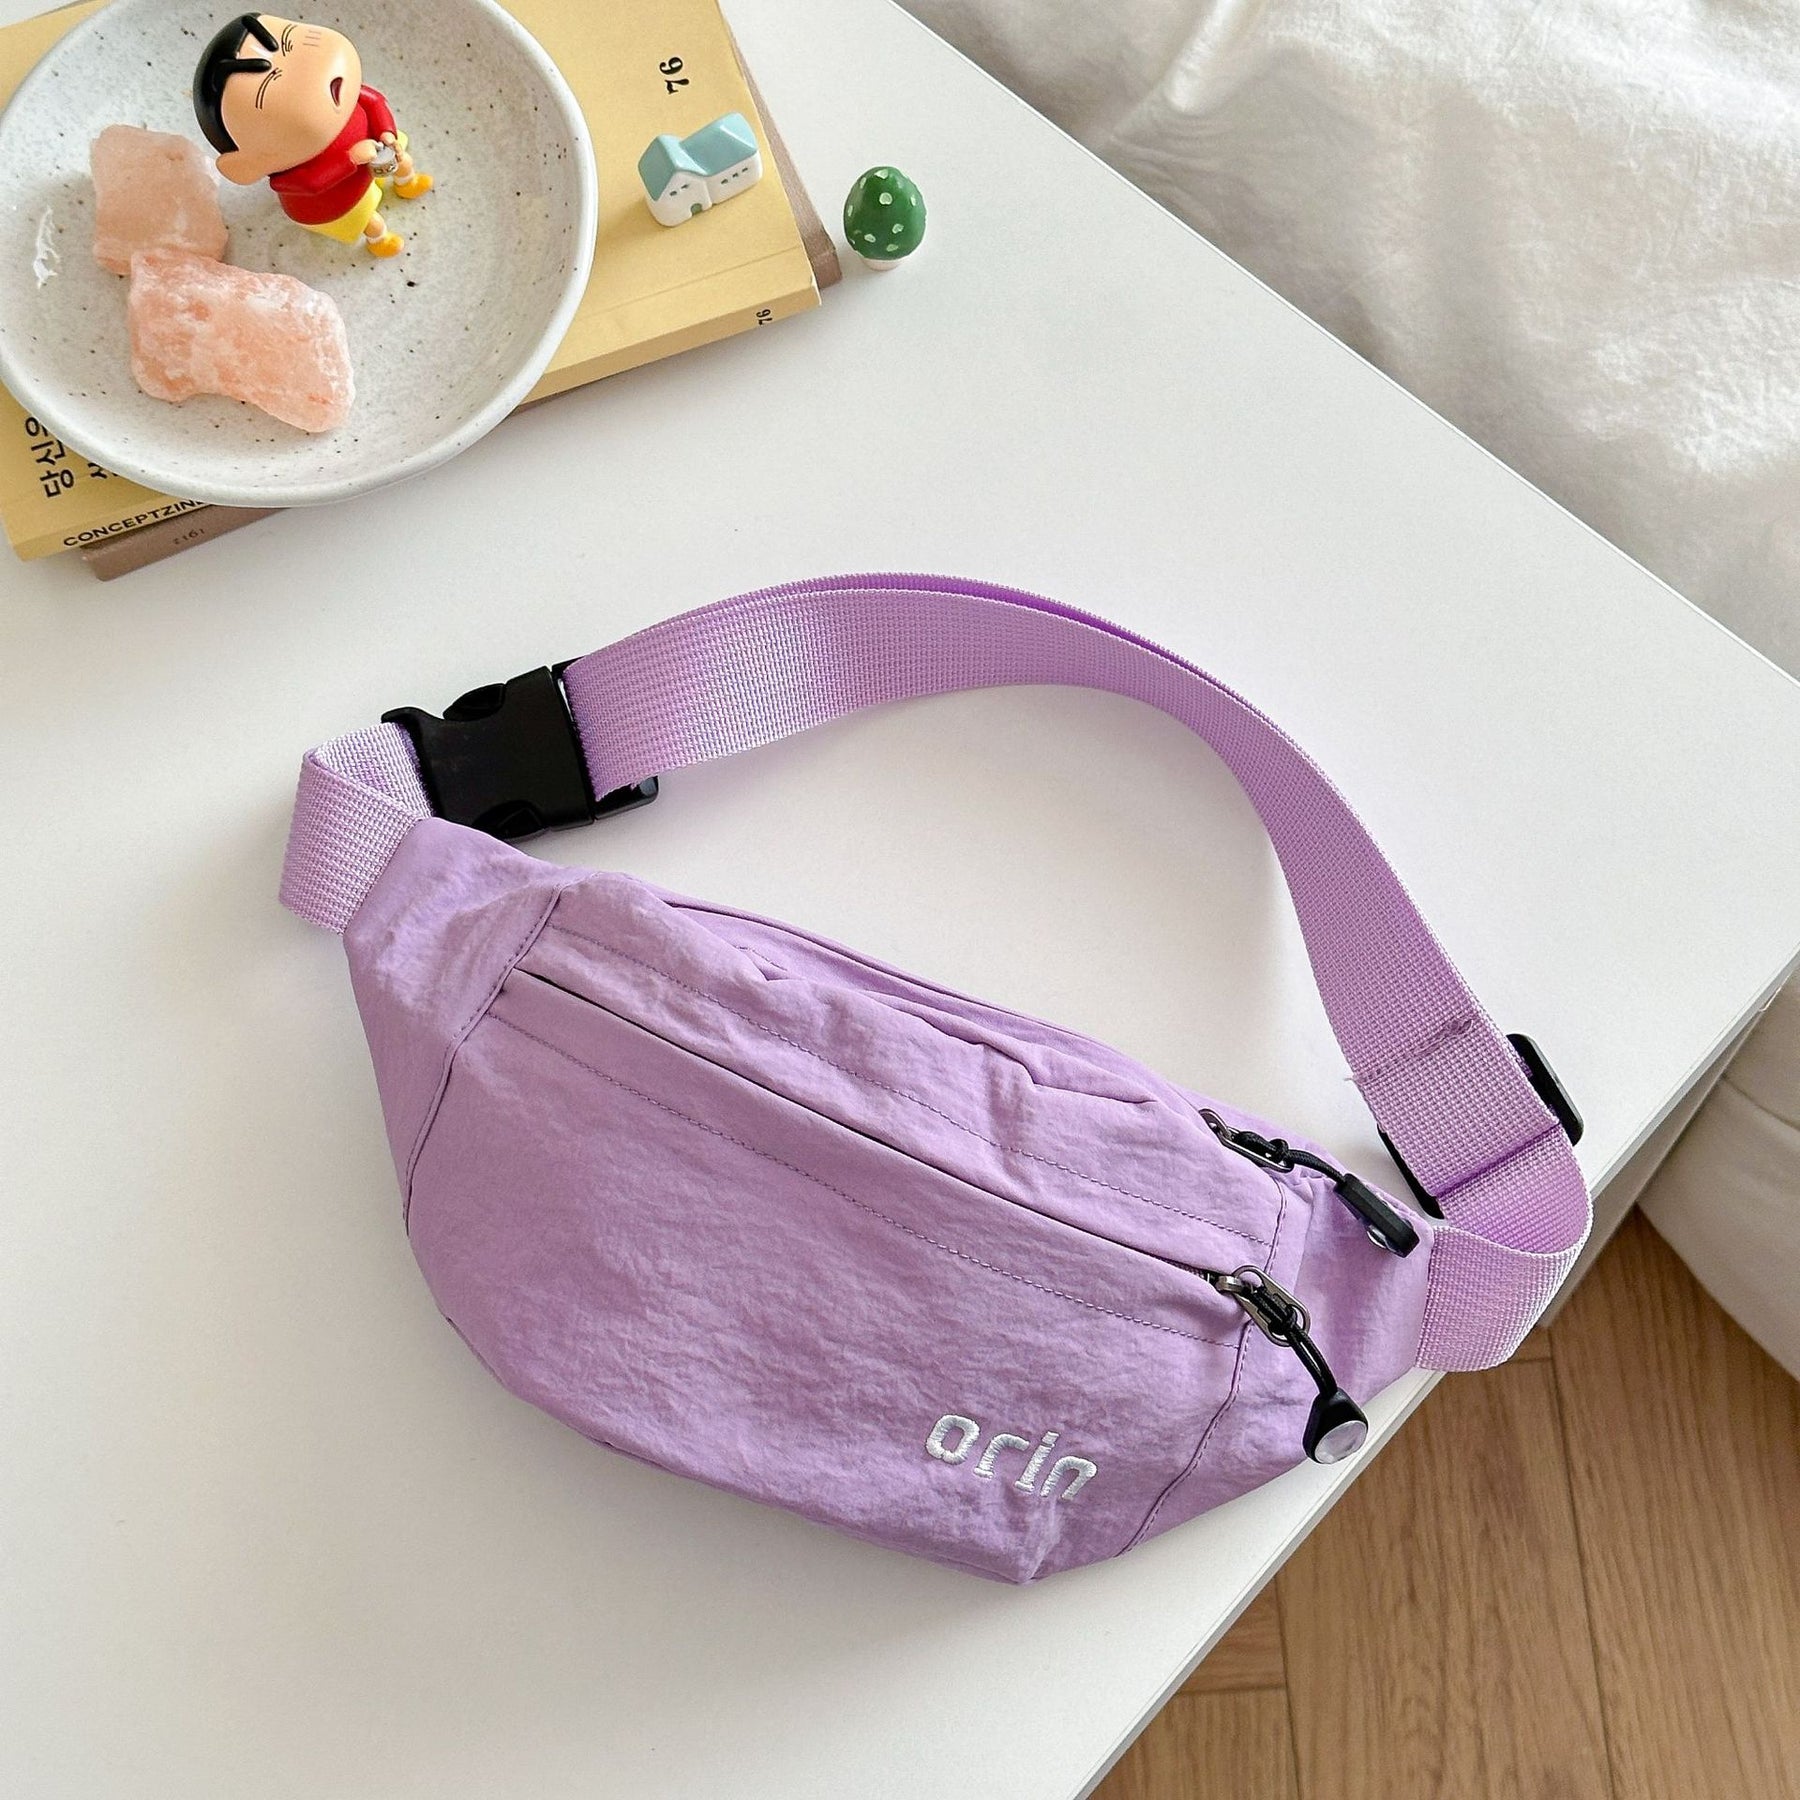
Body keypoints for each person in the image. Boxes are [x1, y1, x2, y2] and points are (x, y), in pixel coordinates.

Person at [193, 13, 431, 258]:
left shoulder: (349, 95)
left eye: (292, 41)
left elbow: (375, 103)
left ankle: (407, 182)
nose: (318, 72)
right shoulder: (288, 175)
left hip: (376, 147)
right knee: (372, 221)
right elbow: (310, 183)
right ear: (247, 165)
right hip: (336, 199)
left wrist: (387, 133)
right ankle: (379, 240)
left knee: (404, 160)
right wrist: (350, 159)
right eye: (272, 88)